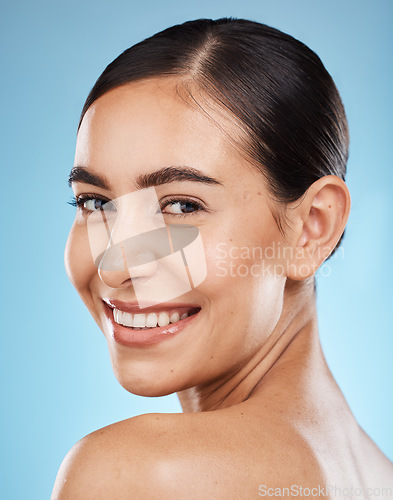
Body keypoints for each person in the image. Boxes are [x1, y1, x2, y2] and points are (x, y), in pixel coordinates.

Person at [52, 18, 393, 499]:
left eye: (182, 206)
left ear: (312, 227)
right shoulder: (378, 477)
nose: (117, 263)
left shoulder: (138, 475)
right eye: (95, 203)